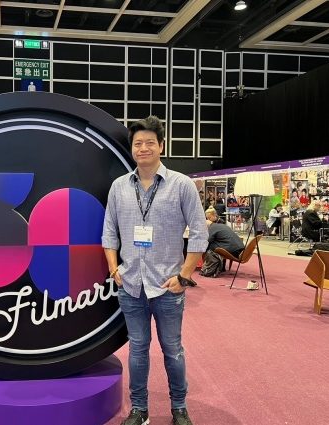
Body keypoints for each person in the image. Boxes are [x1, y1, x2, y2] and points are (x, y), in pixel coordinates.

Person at [102, 116, 208, 425]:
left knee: (173, 350)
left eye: (150, 142)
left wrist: (184, 276)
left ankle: (179, 408)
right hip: (131, 285)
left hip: (167, 286)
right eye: (138, 143)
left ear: (161, 146)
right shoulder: (119, 187)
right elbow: (109, 232)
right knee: (137, 350)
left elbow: (199, 233)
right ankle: (139, 409)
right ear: (132, 148)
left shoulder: (181, 185)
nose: (143, 148)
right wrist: (113, 268)